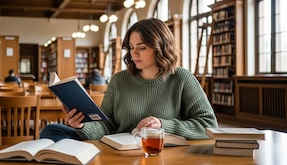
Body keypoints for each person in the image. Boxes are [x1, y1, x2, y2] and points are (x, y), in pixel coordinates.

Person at [40, 18, 218, 142]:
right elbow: (106, 126)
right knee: (51, 130)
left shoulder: (181, 78)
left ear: (161, 48)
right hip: (119, 147)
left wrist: (163, 125)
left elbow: (209, 124)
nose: (134, 54)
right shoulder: (119, 80)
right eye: (131, 47)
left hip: (161, 148)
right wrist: (81, 125)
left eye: (142, 47)